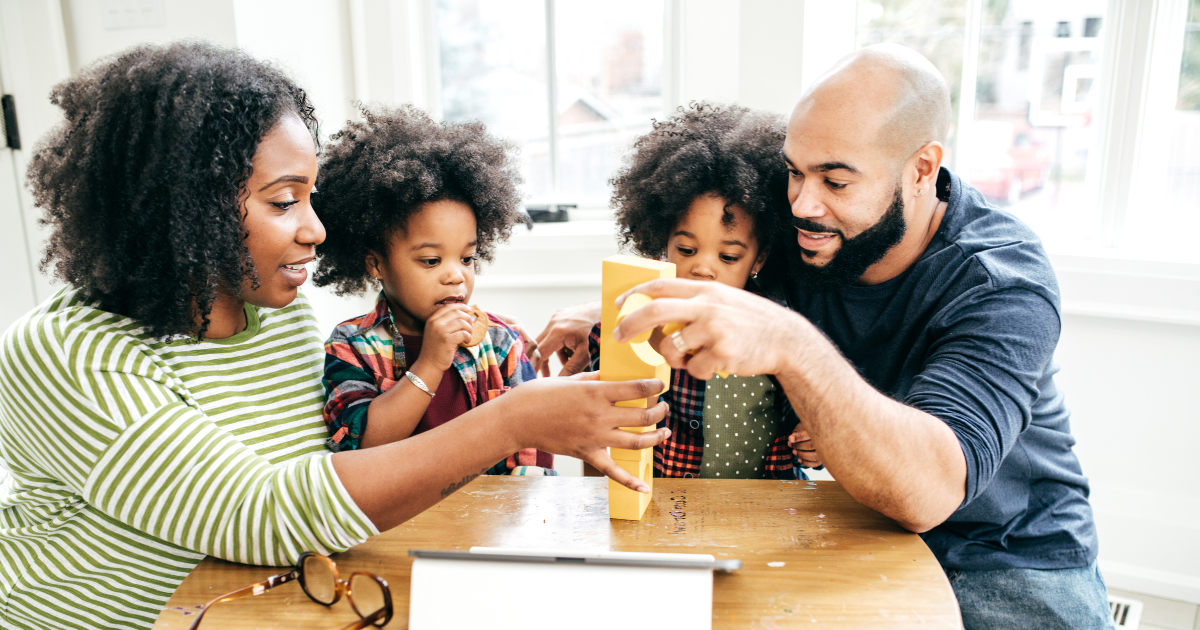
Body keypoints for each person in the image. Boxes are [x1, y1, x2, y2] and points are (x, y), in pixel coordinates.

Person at [0, 42, 667, 629]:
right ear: (184, 205)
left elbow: (323, 476)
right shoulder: (66, 354)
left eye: (311, 197)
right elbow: (258, 514)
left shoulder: (274, 311)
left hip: (269, 605)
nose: (316, 230)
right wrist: (512, 418)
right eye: (285, 201)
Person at [537, 44, 1112, 629]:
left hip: (1006, 554)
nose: (804, 204)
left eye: (836, 180)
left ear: (921, 168)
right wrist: (618, 307)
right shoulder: (809, 227)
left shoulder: (1000, 282)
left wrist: (792, 345)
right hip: (848, 522)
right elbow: (716, 260)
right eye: (794, 172)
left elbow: (930, 494)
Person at [313, 105, 552, 475]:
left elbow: (534, 444)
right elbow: (360, 447)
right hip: (400, 529)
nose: (457, 276)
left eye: (468, 258)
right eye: (431, 261)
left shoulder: (501, 342)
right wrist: (431, 361)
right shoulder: (350, 347)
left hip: (492, 523)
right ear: (376, 263)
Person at [582, 102, 803, 479]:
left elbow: (804, 416)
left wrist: (809, 440)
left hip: (764, 513)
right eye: (686, 250)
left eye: (729, 256)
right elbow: (598, 434)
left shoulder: (781, 330)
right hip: (661, 514)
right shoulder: (627, 327)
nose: (703, 267)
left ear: (759, 258)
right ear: (661, 239)